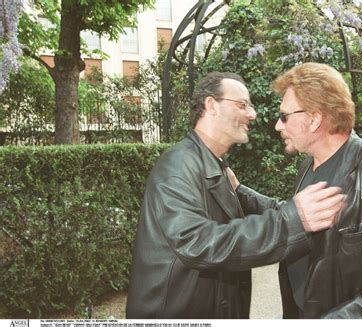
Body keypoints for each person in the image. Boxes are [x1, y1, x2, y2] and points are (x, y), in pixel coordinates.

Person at [125, 72, 345, 319]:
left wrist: (243, 193)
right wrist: (291, 221)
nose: (252, 114)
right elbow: (198, 242)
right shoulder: (177, 167)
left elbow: (237, 214)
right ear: (211, 106)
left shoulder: (212, 164)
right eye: (242, 105)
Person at [232, 63, 362, 318]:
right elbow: (295, 215)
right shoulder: (309, 165)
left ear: (314, 119)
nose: (277, 126)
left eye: (284, 116)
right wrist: (239, 190)